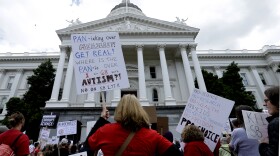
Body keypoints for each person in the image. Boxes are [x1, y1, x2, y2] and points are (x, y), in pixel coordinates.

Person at [88, 94, 182, 156]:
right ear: (140, 110)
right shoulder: (152, 135)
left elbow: (86, 149)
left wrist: (101, 120)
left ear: (119, 109)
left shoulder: (105, 131)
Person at [259, 86, 279, 156]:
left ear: (275, 100)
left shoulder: (276, 123)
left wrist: (263, 144)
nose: (264, 104)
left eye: (266, 100)